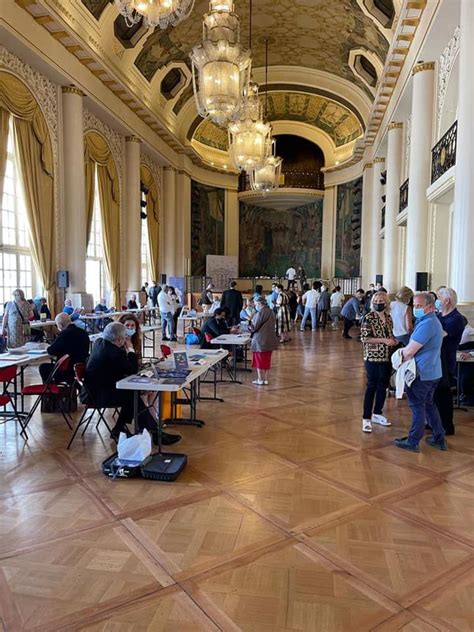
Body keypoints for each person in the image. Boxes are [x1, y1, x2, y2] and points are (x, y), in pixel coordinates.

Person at [83, 322, 180, 445]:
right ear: (119, 339)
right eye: (125, 338)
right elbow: (132, 370)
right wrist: (130, 348)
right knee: (133, 396)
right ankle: (154, 432)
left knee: (132, 395)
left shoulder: (100, 343)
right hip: (98, 395)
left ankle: (124, 429)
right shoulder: (114, 352)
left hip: (95, 389)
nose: (126, 340)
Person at [394, 292, 447, 452]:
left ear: (430, 307)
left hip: (422, 373)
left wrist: (396, 358)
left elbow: (410, 351)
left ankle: (413, 441)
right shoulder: (430, 321)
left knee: (417, 405)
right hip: (433, 371)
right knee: (429, 405)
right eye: (414, 306)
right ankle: (439, 437)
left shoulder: (427, 324)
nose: (415, 309)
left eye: (419, 306)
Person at [360, 292, 397, 433]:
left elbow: (389, 333)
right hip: (372, 357)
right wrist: (384, 340)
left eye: (381, 300)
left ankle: (377, 412)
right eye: (376, 300)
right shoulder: (369, 318)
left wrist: (393, 339)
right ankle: (366, 418)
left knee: (383, 386)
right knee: (371, 386)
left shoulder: (388, 318)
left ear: (386, 303)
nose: (378, 302)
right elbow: (365, 338)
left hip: (387, 356)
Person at [434, 287, 465, 435]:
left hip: (446, 361)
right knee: (434, 393)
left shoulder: (457, 318)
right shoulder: (439, 316)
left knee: (443, 394)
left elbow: (439, 334)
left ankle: (447, 425)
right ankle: (434, 421)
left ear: (446, 301)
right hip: (435, 359)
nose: (436, 301)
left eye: (438, 297)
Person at [39, 313, 90, 383]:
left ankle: (51, 391)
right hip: (81, 367)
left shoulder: (64, 334)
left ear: (60, 325)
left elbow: (51, 351)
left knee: (43, 367)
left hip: (67, 370)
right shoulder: (83, 332)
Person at [248, 297, 278, 385]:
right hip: (270, 339)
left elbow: (254, 327)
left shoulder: (261, 313)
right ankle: (265, 379)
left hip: (260, 340)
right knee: (267, 360)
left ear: (259, 303)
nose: (255, 305)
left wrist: (246, 326)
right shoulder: (271, 311)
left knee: (259, 360)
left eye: (255, 304)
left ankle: (260, 379)